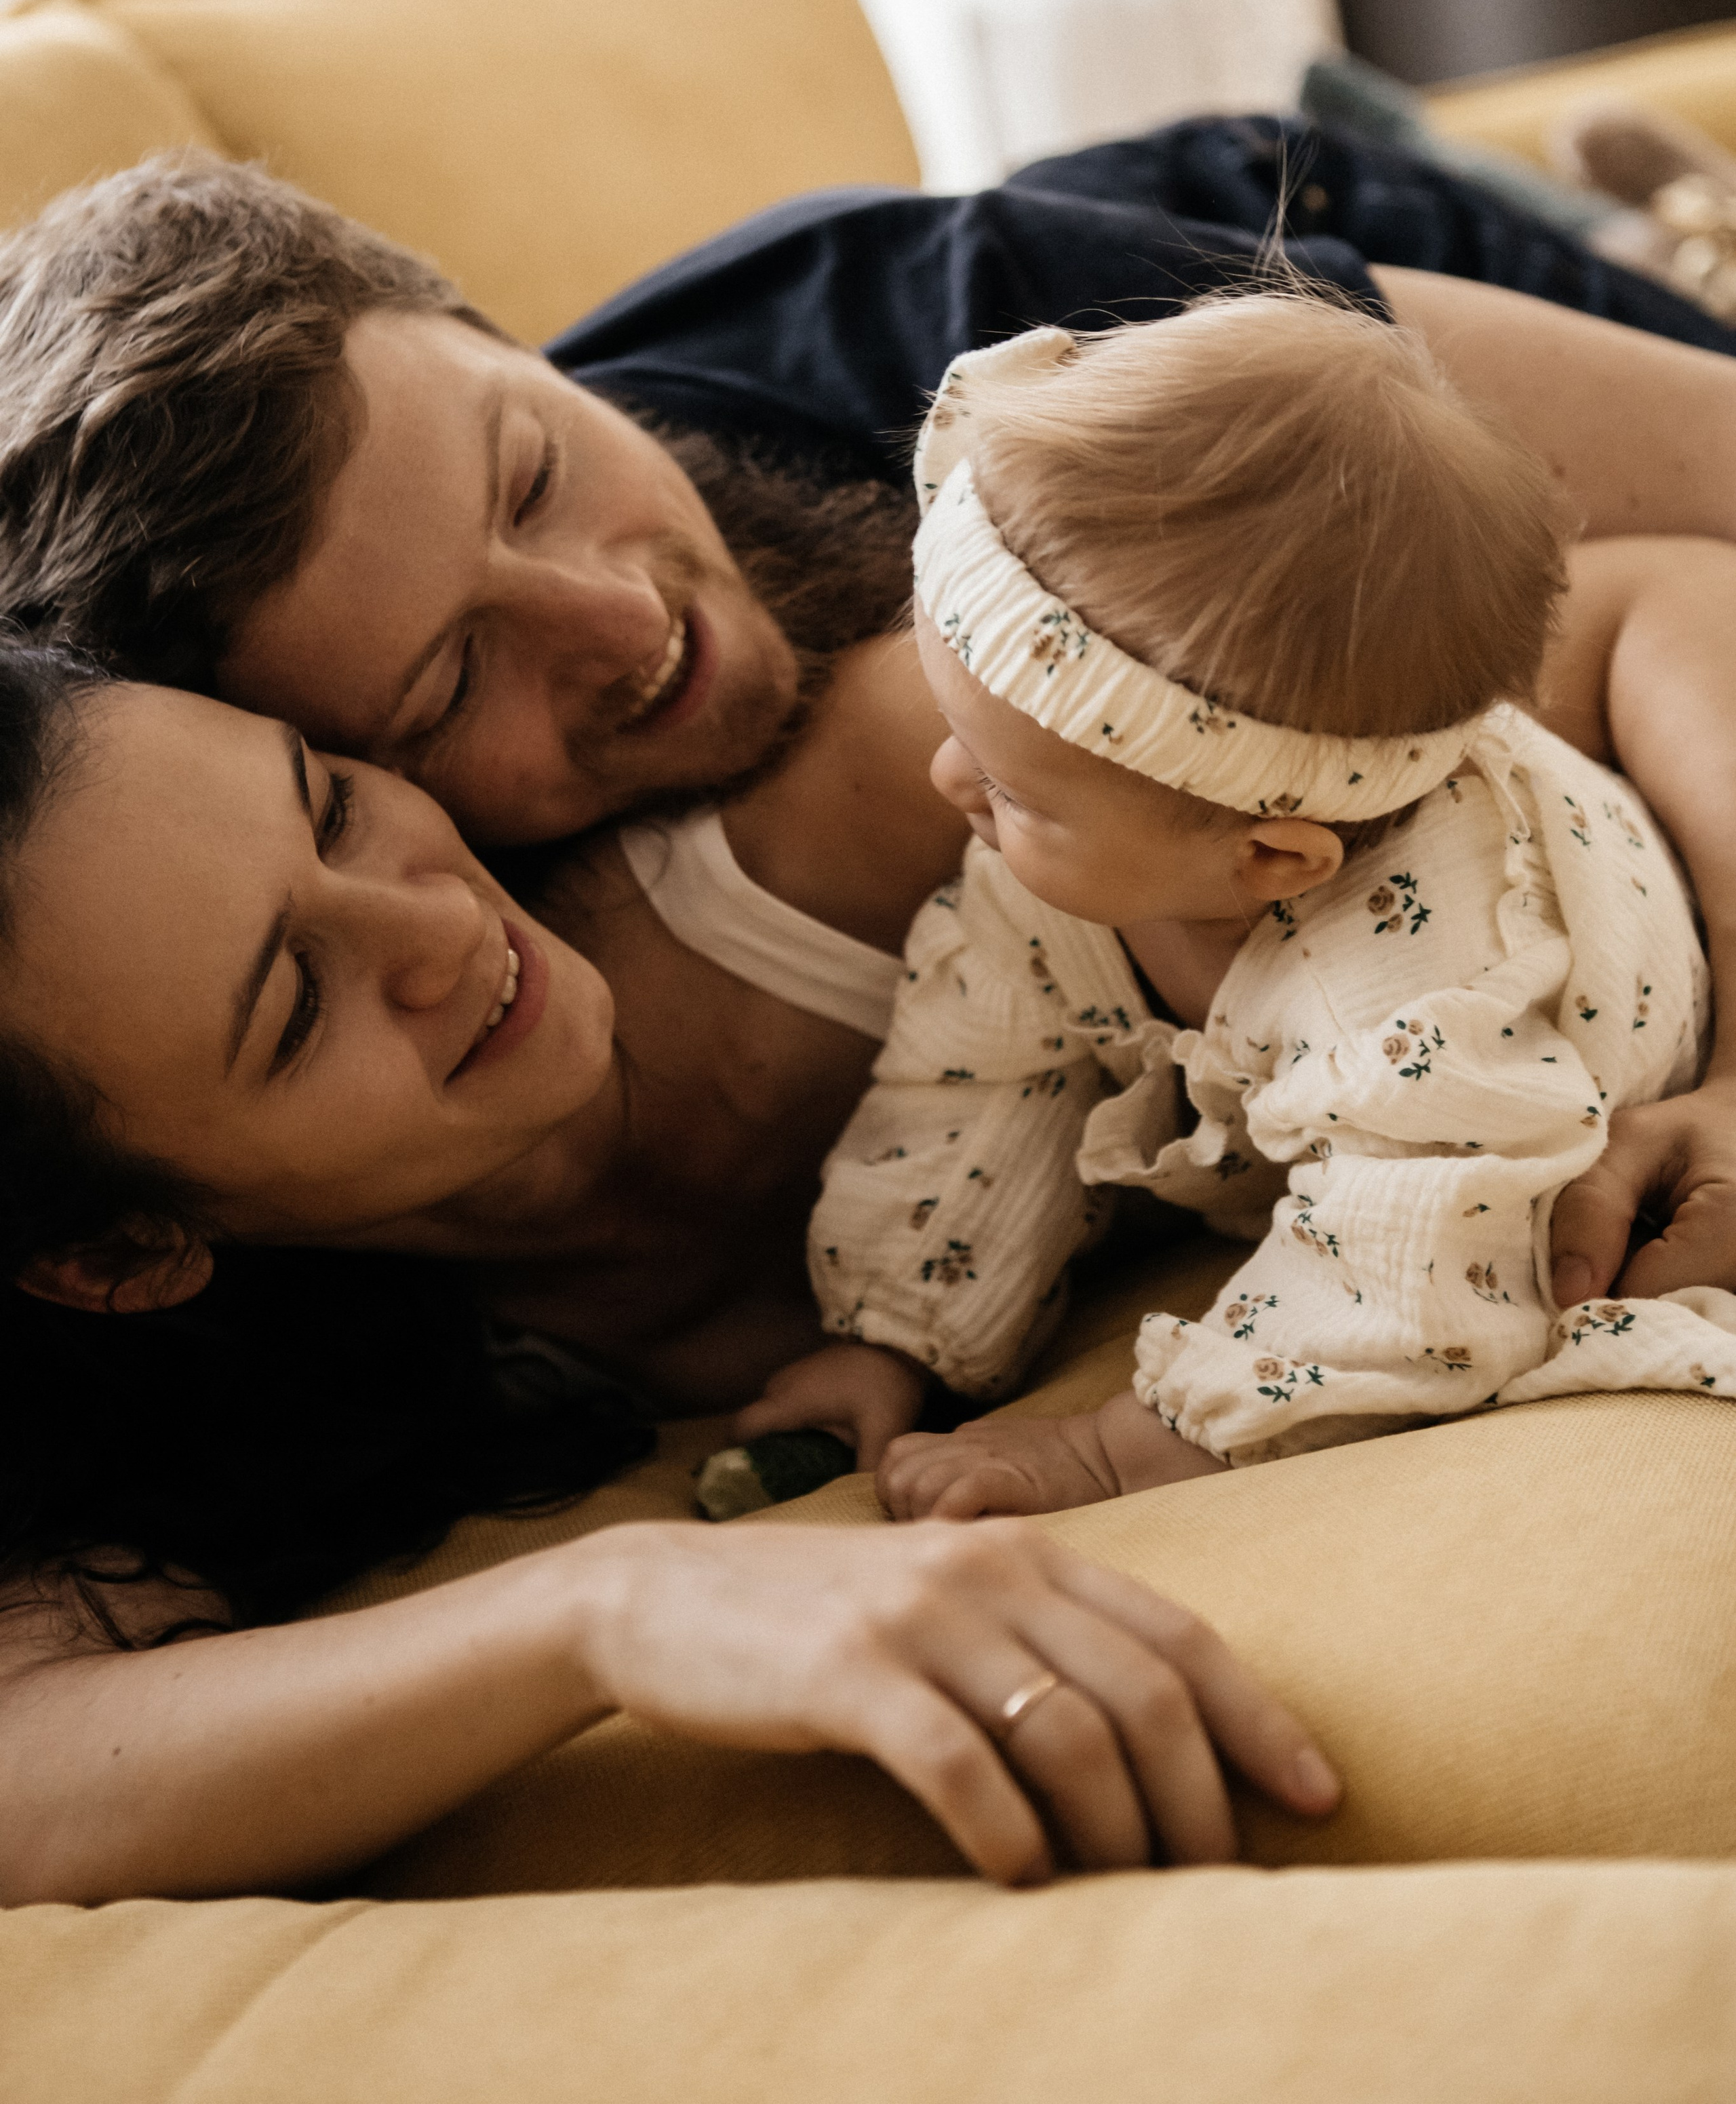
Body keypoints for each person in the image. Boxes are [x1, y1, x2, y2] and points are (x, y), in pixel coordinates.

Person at [1, 138, 1736, 1357]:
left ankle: (1650, 225)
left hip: (1260, 269)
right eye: (449, 688)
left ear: (498, 338)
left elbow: (1675, 577)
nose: (618, 624)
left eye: (532, 470)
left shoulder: (962, 338)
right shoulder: (326, 978)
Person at [0, 644, 1340, 1905]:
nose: (438, 929)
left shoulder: (860, 801)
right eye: (296, 1006)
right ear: (127, 1254)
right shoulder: (203, 1420)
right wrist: (602, 1607)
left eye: (332, 809)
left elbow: (1518, 678)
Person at [732, 297, 1728, 1515]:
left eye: (1008, 788)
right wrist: (896, 1335)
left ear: (1271, 862)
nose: (953, 789)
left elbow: (1411, 1286)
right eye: (960, 738)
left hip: (1576, 1067)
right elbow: (982, 1077)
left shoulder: (1414, 999)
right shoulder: (1070, 876)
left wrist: (1114, 1450)